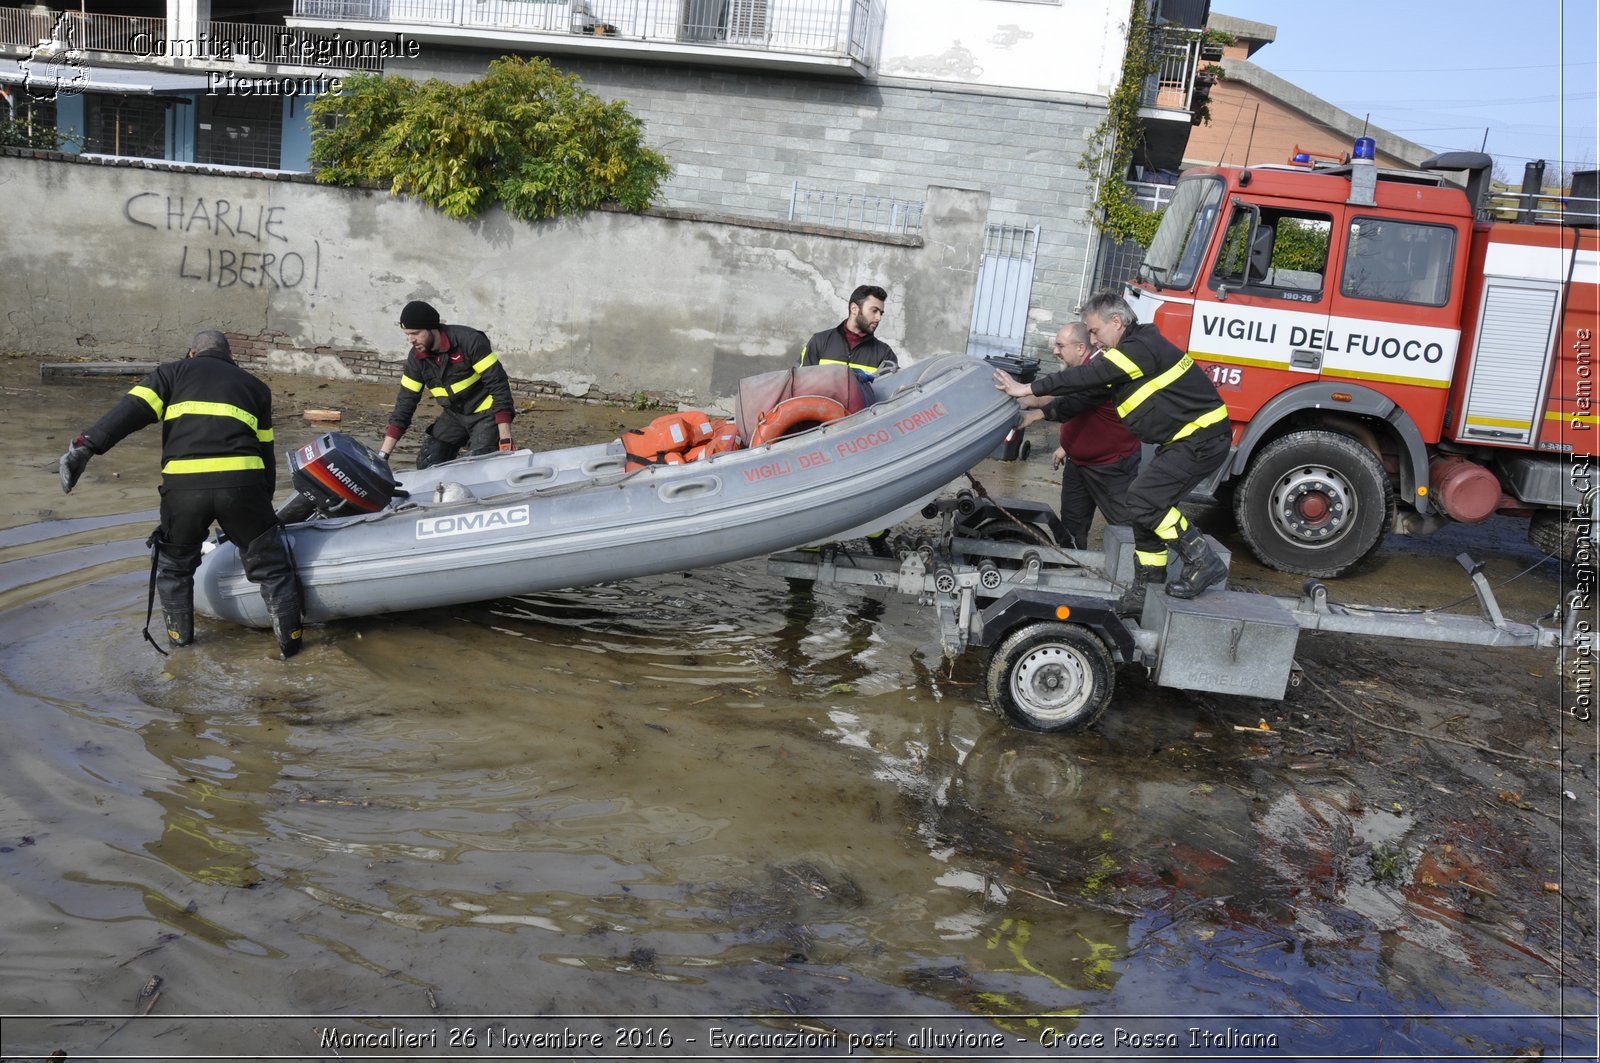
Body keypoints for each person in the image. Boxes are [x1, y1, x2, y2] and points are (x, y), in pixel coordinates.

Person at [58, 330, 304, 658]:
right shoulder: (256, 387)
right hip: (242, 487)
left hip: (184, 489)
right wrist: (263, 516)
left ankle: (182, 653)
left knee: (174, 568)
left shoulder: (171, 373)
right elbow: (265, 452)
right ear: (232, 357)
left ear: (191, 353)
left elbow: (129, 412)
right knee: (273, 569)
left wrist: (85, 446)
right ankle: (292, 652)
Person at [995, 291, 1231, 614]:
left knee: (1144, 500)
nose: (1093, 339)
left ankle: (1202, 559)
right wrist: (1037, 412)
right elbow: (1085, 393)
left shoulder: (1139, 348)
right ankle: (1146, 589)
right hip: (1183, 441)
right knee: (1142, 509)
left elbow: (1088, 375)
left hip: (1202, 437)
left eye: (1094, 331)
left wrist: (1029, 388)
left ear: (1116, 322)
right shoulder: (1130, 352)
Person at [1016, 322, 1141, 551]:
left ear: (1081, 348)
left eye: (1060, 345)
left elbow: (1063, 401)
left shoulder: (1100, 371)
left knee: (1126, 528)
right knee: (1072, 528)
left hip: (1111, 467)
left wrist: (1027, 403)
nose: (1055, 351)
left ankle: (1135, 576)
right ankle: (1072, 571)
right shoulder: (1077, 372)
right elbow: (1079, 408)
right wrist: (1067, 446)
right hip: (1079, 463)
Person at [379, 300, 516, 468]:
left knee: (478, 466)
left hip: (486, 414)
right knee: (427, 463)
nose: (410, 340)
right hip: (454, 415)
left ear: (432, 328)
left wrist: (505, 438)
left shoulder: (470, 341)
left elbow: (499, 385)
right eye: (407, 334)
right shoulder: (416, 359)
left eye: (415, 333)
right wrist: (382, 457)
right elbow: (404, 405)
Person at [799, 284, 898, 375]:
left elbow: (889, 391)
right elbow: (802, 383)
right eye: (874, 311)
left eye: (881, 313)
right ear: (854, 309)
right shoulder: (819, 341)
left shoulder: (885, 353)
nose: (878, 318)